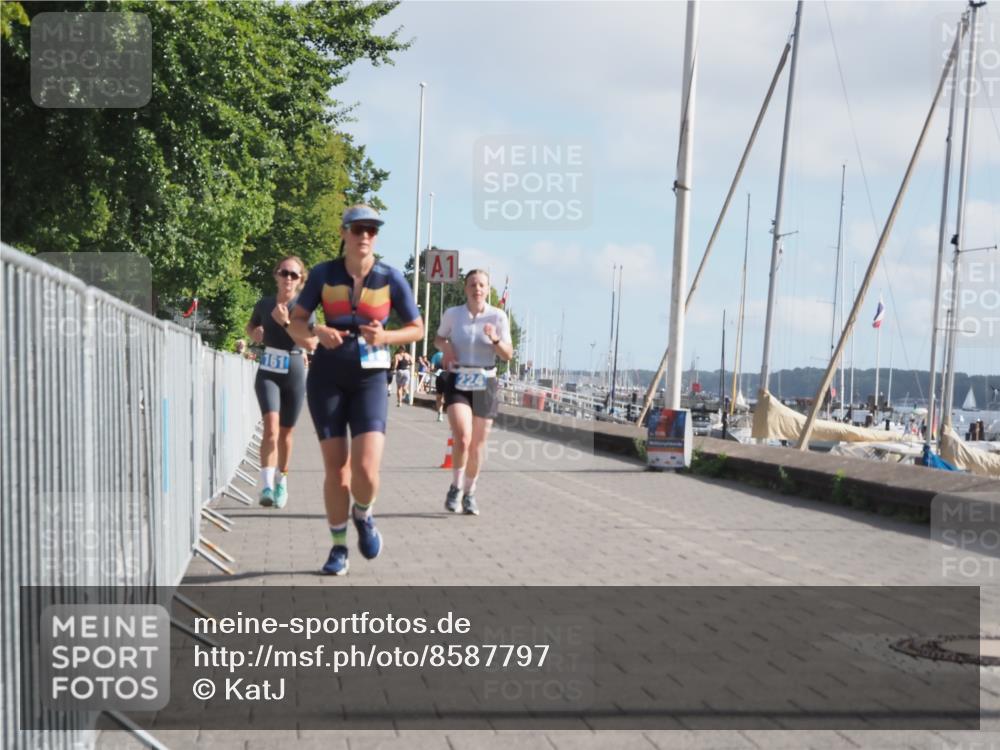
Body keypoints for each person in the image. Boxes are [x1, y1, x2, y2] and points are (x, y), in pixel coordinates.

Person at [289, 205, 423, 576]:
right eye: (358, 229)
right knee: (337, 471)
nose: (365, 236)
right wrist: (317, 333)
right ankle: (337, 548)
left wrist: (388, 336)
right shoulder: (323, 274)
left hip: (371, 378)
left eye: (372, 230)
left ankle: (363, 514)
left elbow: (417, 328)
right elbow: (296, 325)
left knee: (365, 469)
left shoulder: (390, 278)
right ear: (344, 232)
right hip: (328, 376)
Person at [434, 269, 513, 516]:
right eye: (472, 285)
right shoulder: (453, 314)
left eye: (481, 285)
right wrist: (445, 347)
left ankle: (469, 492)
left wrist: (495, 340)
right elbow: (438, 339)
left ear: (488, 289)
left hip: (485, 381)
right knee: (463, 437)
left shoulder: (498, 316)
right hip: (459, 378)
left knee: (477, 445)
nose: (477, 289)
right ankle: (455, 487)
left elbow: (508, 354)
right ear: (465, 288)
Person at [246, 257, 317, 509]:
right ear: (276, 275)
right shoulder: (265, 304)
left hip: (295, 370)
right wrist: (254, 333)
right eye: (284, 273)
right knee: (271, 428)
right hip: (268, 370)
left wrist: (286, 323)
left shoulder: (304, 308)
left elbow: (311, 344)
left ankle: (281, 480)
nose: (288, 278)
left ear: (301, 280)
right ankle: (265, 485)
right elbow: (251, 325)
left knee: (287, 433)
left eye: (294, 275)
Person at [430, 349, 446, 422]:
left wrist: (434, 370)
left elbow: (432, 368)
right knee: (445, 396)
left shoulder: (435, 355)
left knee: (438, 396)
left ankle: (440, 414)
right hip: (449, 376)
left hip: (439, 376)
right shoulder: (451, 354)